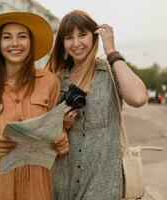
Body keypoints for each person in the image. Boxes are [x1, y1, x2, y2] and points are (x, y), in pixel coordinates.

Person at [0, 12, 69, 200]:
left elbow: (56, 130)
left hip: (37, 184)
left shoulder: (50, 82)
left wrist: (61, 140)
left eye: (22, 36)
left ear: (31, 42)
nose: (15, 43)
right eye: (7, 37)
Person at [46, 10, 147, 199]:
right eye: (69, 37)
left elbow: (139, 98)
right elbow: (47, 134)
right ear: (62, 43)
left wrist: (112, 51)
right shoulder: (57, 79)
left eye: (82, 35)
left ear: (94, 36)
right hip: (63, 180)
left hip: (104, 180)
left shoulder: (111, 72)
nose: (76, 43)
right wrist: (63, 127)